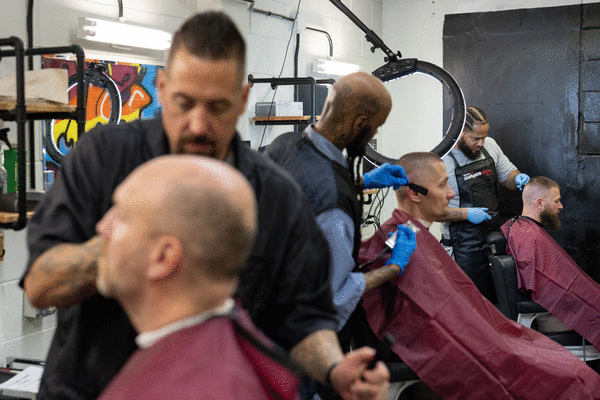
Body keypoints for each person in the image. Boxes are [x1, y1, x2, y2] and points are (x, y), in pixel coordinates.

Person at [21, 11, 388, 400]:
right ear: (162, 87)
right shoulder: (104, 158)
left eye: (217, 107)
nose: (197, 124)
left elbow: (305, 318)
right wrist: (124, 243)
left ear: (243, 99)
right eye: (184, 103)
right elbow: (41, 285)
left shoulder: (275, 197)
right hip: (87, 389)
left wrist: (335, 370)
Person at [358, 152, 600, 400]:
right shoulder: (395, 243)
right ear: (415, 193)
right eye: (443, 185)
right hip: (453, 347)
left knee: (561, 365)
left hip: (479, 336)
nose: (451, 194)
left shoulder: (413, 234)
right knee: (570, 377)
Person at [95, 155, 301, 400]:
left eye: (121, 216)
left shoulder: (182, 391)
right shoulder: (240, 350)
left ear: (163, 257)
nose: (102, 227)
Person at [267, 72, 416, 332]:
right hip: (298, 335)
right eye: (376, 127)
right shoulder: (335, 209)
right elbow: (331, 300)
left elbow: (303, 190)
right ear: (359, 124)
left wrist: (360, 182)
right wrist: (393, 267)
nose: (374, 133)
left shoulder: (284, 144)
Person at [439, 106, 530, 300]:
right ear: (458, 132)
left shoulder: (490, 146)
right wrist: (467, 214)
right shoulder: (442, 161)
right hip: (461, 247)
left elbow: (508, 176)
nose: (481, 143)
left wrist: (518, 179)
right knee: (468, 302)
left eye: (484, 137)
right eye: (475, 138)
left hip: (492, 240)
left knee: (495, 300)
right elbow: (434, 211)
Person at [501, 176, 600, 351]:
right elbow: (549, 288)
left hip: (560, 307)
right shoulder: (531, 237)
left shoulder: (521, 228)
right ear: (539, 203)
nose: (561, 206)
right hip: (552, 313)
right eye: (557, 201)